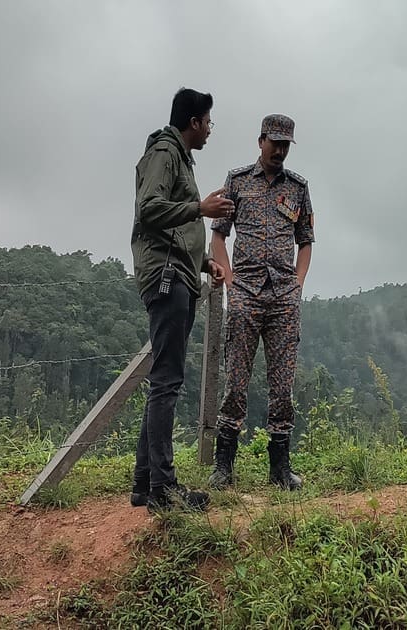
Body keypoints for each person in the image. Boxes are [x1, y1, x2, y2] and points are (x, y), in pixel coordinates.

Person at [129, 88, 232, 512]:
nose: (209, 129)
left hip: (180, 274)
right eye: (208, 122)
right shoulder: (164, 153)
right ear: (193, 122)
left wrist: (205, 262)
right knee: (167, 382)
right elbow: (149, 209)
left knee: (164, 379)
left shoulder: (178, 157)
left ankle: (145, 483)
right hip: (167, 277)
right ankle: (164, 490)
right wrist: (200, 209)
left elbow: (173, 228)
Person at [207, 114, 314, 491]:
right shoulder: (237, 182)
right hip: (246, 295)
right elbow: (218, 236)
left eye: (285, 145)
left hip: (283, 298)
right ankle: (223, 467)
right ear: (260, 141)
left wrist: (297, 285)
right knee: (236, 382)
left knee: (282, 385)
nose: (279, 151)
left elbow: (306, 241)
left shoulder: (298, 188)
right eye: (274, 143)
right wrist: (231, 282)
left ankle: (280, 469)